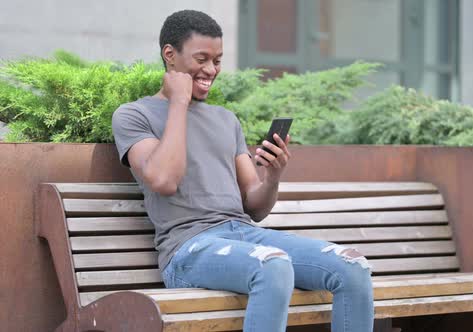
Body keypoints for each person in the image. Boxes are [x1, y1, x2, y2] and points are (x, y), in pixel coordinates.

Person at [112, 9, 373, 332]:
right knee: (272, 266)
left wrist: (273, 176)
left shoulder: (226, 120)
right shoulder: (133, 116)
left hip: (245, 235)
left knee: (352, 266)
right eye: (202, 59)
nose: (211, 70)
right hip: (189, 249)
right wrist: (178, 103)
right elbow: (164, 180)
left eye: (218, 61)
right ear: (170, 55)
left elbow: (255, 206)